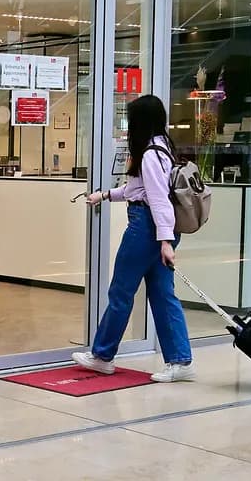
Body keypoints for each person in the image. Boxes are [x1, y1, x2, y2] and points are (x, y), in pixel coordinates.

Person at [75, 95, 194, 383]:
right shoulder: (163, 147)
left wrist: (164, 241)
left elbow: (157, 200)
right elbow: (136, 190)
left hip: (146, 229)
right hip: (158, 229)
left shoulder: (151, 154)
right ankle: (180, 361)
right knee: (163, 294)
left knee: (121, 291)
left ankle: (102, 355)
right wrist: (104, 195)